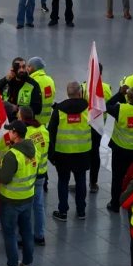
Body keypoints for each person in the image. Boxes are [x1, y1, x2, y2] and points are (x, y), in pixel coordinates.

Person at [0, 121, 37, 266]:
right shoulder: (32, 149)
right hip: (28, 196)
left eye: (10, 131)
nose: (8, 133)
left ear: (16, 134)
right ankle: (28, 263)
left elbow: (4, 178)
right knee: (26, 231)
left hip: (11, 200)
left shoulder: (13, 155)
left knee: (10, 234)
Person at [49, 81, 92, 220]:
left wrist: (52, 154)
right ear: (80, 93)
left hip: (63, 153)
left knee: (63, 181)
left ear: (68, 93)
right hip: (83, 152)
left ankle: (63, 212)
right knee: (80, 180)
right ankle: (81, 211)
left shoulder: (59, 109)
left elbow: (51, 132)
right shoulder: (87, 107)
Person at [105, 87, 133, 212]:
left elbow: (106, 105)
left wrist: (119, 93)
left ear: (128, 97)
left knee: (117, 178)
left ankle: (115, 204)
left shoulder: (120, 109)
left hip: (119, 150)